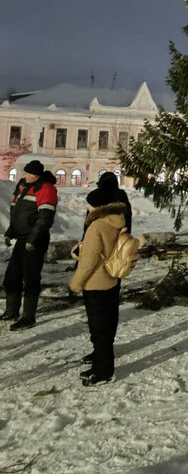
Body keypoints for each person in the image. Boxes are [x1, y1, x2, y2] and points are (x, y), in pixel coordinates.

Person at [69, 179, 131, 386]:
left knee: (99, 327)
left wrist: (75, 284)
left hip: (95, 282)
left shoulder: (96, 227)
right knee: (108, 321)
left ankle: (103, 371)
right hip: (111, 278)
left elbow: (88, 261)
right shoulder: (118, 221)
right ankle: (100, 359)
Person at [2, 160, 58, 330]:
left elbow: (45, 218)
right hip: (22, 238)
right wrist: (10, 231)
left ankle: (28, 317)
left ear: (36, 175)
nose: (24, 175)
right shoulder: (24, 187)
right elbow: (16, 213)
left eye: (27, 173)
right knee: (12, 276)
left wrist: (32, 240)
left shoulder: (45, 188)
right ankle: (12, 310)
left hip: (35, 240)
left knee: (30, 278)